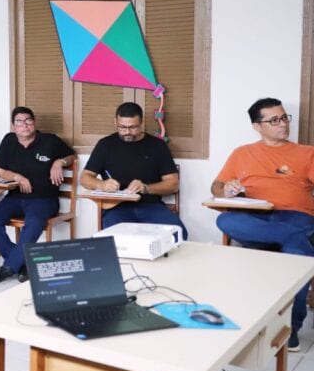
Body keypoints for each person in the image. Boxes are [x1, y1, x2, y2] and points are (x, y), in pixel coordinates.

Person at [211, 97, 314, 351]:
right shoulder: (242, 153)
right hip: (255, 218)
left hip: (296, 216)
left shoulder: (306, 153)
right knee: (224, 219)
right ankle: (293, 237)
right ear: (258, 126)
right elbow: (215, 186)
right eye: (274, 120)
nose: (283, 124)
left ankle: (290, 330)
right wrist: (228, 189)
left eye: (284, 118)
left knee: (298, 257)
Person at [0, 106, 76, 283]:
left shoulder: (49, 141)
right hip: (15, 197)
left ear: (34, 123)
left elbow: (72, 156)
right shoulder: (9, 140)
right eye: (19, 122)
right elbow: (2, 170)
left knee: (34, 223)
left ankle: (9, 266)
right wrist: (17, 177)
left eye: (28, 121)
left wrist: (59, 161)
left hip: (44, 199)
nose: (24, 125)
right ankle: (23, 264)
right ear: (13, 126)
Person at [80, 102, 187, 237]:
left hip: (150, 206)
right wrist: (102, 184)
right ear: (115, 122)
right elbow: (85, 178)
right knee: (116, 240)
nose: (127, 132)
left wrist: (146, 188)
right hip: (116, 208)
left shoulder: (157, 146)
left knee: (178, 234)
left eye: (133, 127)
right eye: (122, 127)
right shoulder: (105, 145)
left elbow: (173, 184)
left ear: (142, 123)